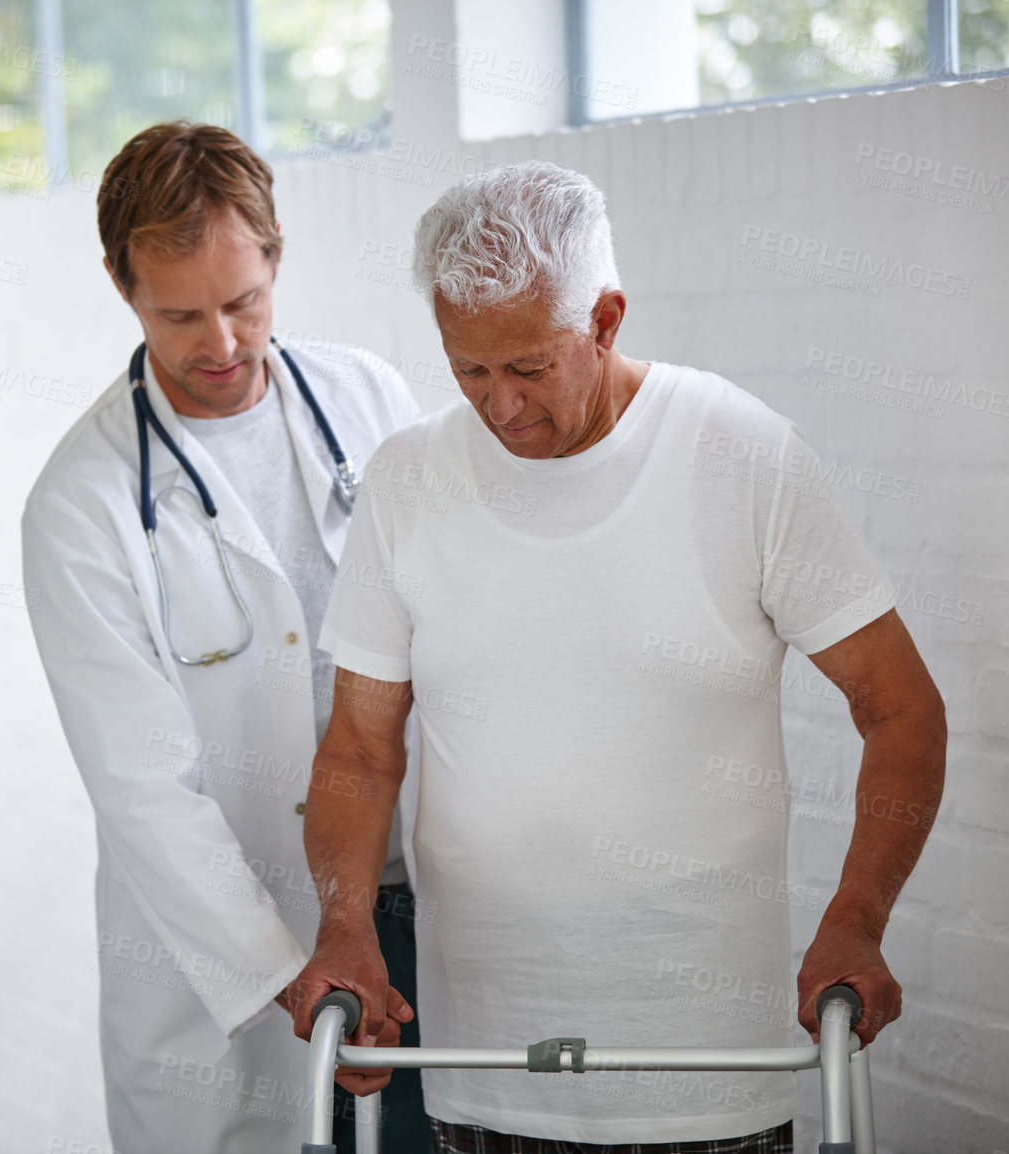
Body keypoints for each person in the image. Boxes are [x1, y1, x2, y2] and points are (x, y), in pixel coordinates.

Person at [288, 161, 947, 1152]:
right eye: (468, 370)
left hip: (705, 1073)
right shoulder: (408, 477)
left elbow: (901, 706)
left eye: (526, 368)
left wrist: (857, 916)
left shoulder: (741, 453)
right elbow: (359, 746)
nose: (499, 407)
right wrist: (347, 925)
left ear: (604, 318)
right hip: (481, 1066)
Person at [20, 121, 433, 1153]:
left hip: (410, 905)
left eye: (244, 302)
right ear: (122, 285)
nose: (222, 344)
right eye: (180, 314)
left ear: (277, 255)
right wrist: (288, 967)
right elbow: (144, 790)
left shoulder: (368, 399)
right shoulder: (83, 505)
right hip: (234, 951)